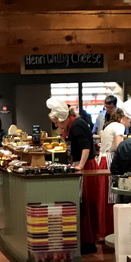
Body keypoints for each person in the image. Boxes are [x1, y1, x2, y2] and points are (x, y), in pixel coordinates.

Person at [49, 98, 103, 251]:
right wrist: (62, 135)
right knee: (83, 203)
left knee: (86, 202)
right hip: (83, 164)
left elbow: (86, 147)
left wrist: (80, 165)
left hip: (87, 166)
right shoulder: (72, 126)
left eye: (56, 122)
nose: (56, 125)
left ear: (62, 118)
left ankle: (88, 241)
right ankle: (85, 240)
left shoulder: (77, 125)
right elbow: (73, 148)